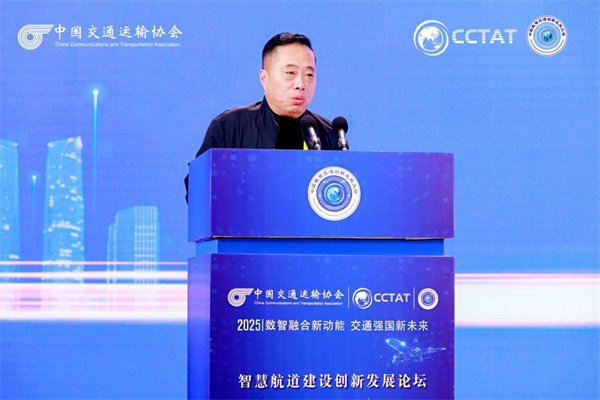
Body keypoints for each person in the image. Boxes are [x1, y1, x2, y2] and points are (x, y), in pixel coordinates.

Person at [185, 32, 340, 200]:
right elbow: (197, 190)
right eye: (290, 73)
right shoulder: (230, 127)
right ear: (264, 78)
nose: (300, 84)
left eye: (309, 75)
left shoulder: (329, 132)